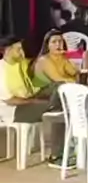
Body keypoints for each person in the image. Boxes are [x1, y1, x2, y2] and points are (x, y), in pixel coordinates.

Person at [0, 36, 72, 169]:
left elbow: (33, 84)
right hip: (15, 110)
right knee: (59, 110)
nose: (22, 52)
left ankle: (55, 107)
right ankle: (56, 156)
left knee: (59, 86)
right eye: (18, 49)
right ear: (8, 50)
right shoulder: (2, 71)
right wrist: (36, 101)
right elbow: (10, 100)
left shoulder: (19, 64)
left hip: (29, 98)